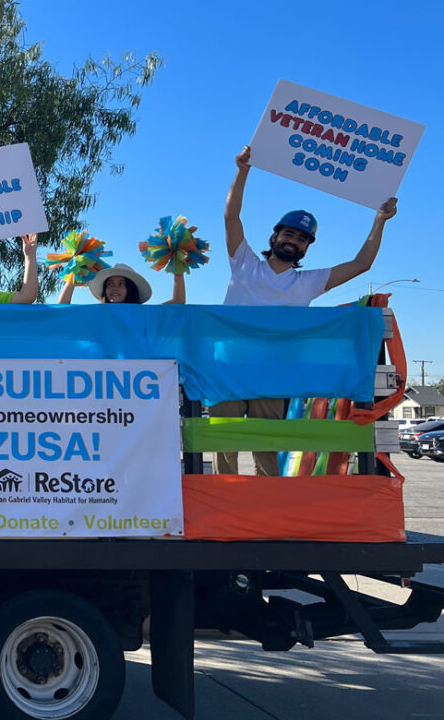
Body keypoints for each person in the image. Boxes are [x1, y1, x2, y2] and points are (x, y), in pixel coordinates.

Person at [211, 144, 399, 476]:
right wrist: (242, 171)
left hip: (274, 374)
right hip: (229, 366)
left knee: (267, 445)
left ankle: (267, 512)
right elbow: (231, 216)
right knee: (223, 441)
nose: (293, 240)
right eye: (288, 233)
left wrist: (379, 221)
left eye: (302, 238)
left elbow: (361, 264)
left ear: (306, 246)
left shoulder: (309, 282)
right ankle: (224, 514)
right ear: (275, 235)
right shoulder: (244, 262)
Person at [57, 263, 185, 305]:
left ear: (131, 289)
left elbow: (178, 303)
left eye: (121, 284)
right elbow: (62, 311)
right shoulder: (96, 313)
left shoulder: (145, 315)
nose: (114, 288)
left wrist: (178, 273)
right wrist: (72, 280)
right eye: (110, 283)